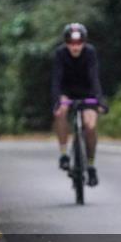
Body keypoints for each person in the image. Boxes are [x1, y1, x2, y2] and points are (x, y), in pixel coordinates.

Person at [52, 23, 107, 186]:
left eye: (78, 43)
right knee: (61, 112)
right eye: (71, 43)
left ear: (84, 42)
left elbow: (94, 77)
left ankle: (90, 165)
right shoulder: (60, 53)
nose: (75, 47)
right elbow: (56, 80)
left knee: (90, 126)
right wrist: (57, 101)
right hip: (67, 92)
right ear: (66, 43)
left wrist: (99, 101)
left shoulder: (90, 52)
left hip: (87, 93)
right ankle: (63, 153)